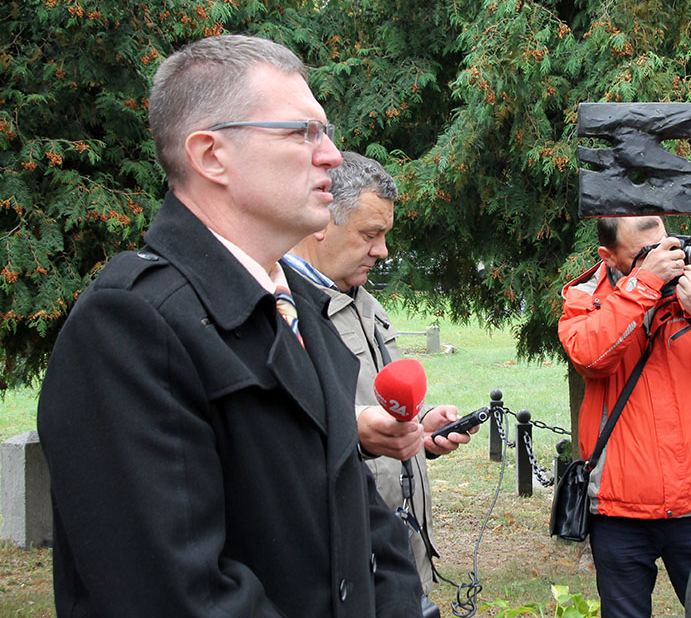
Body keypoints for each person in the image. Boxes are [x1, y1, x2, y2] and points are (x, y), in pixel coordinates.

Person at [37, 35, 423, 618]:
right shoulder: (130, 327)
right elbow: (178, 596)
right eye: (302, 133)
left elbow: (363, 525)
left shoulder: (293, 304)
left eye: (326, 131)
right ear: (211, 155)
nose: (332, 156)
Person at [284, 152, 473, 616]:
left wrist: (420, 429)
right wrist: (357, 434)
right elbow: (286, 438)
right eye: (370, 235)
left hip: (398, 559)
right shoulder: (283, 313)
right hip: (343, 567)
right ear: (319, 223)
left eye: (385, 234)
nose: (383, 250)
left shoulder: (366, 304)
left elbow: (379, 406)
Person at [557, 216, 691, 618]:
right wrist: (643, 285)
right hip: (619, 511)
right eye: (645, 254)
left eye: (665, 245)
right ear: (608, 257)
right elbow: (591, 357)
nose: (664, 260)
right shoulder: (583, 298)